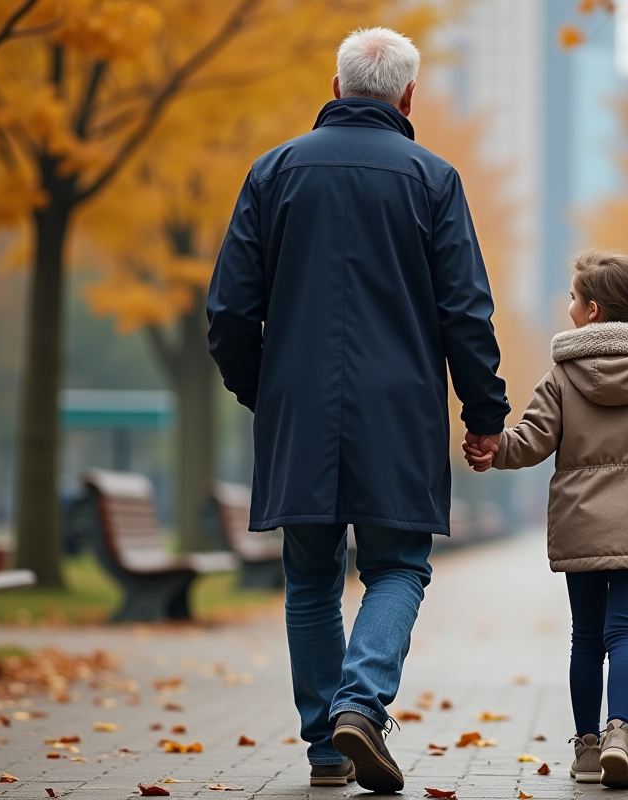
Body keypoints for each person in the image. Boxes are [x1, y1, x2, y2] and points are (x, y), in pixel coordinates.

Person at [207, 27, 509, 794]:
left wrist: (260, 390)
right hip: (399, 412)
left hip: (298, 408)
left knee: (310, 577)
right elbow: (465, 311)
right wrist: (484, 411)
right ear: (408, 97)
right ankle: (361, 704)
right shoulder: (433, 179)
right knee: (398, 565)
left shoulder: (271, 173)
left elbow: (230, 311)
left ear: (336, 87)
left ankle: (326, 748)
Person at [464, 249, 628, 789]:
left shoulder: (562, 374)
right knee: (627, 631)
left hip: (581, 521)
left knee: (587, 637)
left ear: (591, 310)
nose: (566, 305)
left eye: (571, 297)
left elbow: (534, 440)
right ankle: (621, 734)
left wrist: (496, 450)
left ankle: (587, 749)